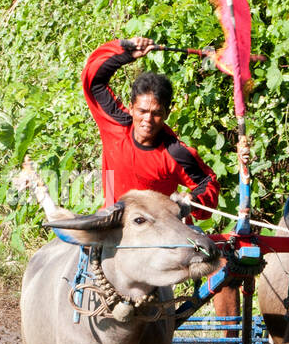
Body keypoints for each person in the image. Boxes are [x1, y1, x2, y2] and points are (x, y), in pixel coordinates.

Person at [80, 36, 241, 319]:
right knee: (72, 252)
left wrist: (192, 200)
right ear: (131, 108)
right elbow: (93, 79)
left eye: (156, 113)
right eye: (141, 111)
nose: (147, 120)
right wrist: (125, 50)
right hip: (117, 225)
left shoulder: (175, 151)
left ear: (167, 113)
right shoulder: (115, 124)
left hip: (163, 234)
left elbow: (208, 183)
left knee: (226, 261)